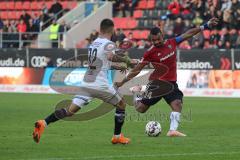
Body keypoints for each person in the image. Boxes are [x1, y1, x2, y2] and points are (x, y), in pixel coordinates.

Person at [33, 19, 134, 144]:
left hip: (87, 83)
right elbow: (109, 57)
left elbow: (102, 63)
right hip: (100, 85)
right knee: (121, 104)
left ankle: (44, 123)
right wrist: (126, 61)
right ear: (112, 29)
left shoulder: (94, 43)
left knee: (69, 111)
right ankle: (117, 137)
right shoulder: (109, 44)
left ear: (100, 29)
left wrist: (119, 67)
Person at [115, 18, 219, 137]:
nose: (156, 42)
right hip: (157, 84)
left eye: (158, 39)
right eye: (153, 40)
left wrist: (205, 26)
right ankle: (136, 93)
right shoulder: (150, 52)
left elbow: (188, 34)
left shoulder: (172, 42)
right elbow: (137, 69)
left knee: (177, 104)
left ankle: (172, 130)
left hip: (170, 84)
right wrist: (122, 82)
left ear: (162, 36)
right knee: (140, 109)